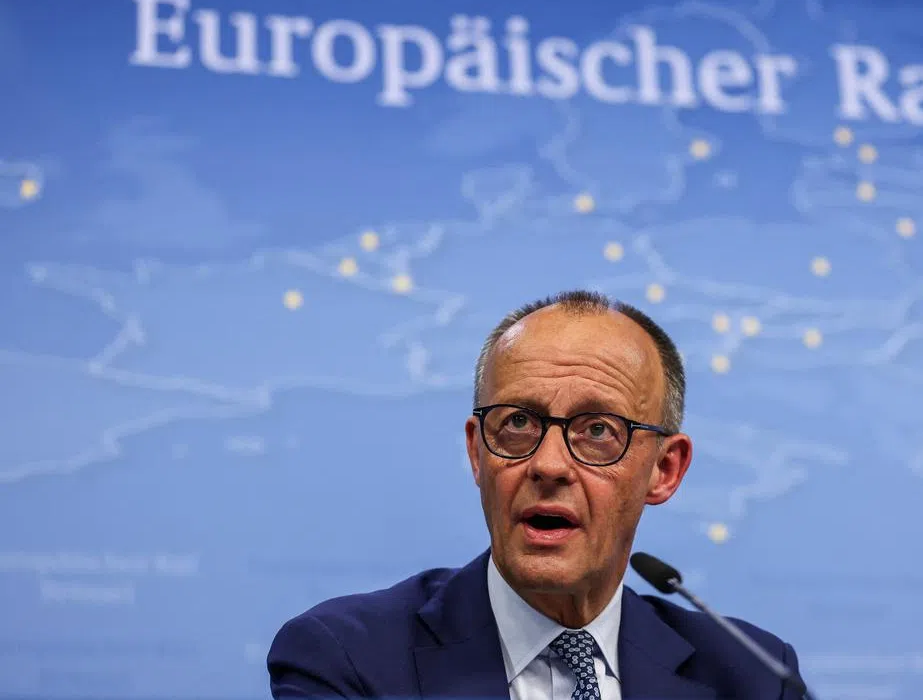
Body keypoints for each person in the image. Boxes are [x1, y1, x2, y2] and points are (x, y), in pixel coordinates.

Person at [267, 290, 802, 699]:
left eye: (597, 431)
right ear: (478, 453)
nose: (548, 464)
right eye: (518, 422)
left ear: (664, 469)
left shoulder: (751, 675)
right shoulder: (346, 660)